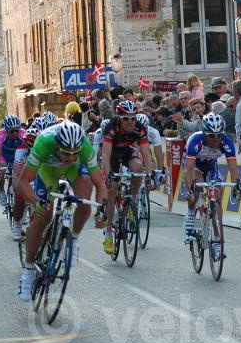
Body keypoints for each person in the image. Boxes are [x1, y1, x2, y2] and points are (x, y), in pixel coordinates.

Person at [16, 121, 107, 302]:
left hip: (75, 172)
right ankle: (28, 270)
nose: (71, 157)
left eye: (75, 153)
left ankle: (73, 239)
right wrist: (35, 202)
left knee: (84, 195)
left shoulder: (85, 148)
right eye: (66, 153)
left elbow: (100, 184)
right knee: (42, 218)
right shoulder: (43, 143)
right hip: (48, 170)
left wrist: (102, 211)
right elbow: (22, 182)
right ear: (57, 146)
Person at [182, 113, 241, 257]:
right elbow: (189, 169)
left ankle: (217, 240)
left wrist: (237, 187)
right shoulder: (195, 140)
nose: (216, 139)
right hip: (194, 165)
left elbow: (233, 168)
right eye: (211, 136)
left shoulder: (226, 142)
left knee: (217, 198)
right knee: (196, 186)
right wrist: (190, 189)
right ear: (204, 133)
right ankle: (190, 215)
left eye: (219, 135)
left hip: (211, 165)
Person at [99, 100, 157, 254]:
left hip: (126, 151)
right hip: (112, 154)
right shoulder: (111, 126)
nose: (130, 122)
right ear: (119, 117)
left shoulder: (140, 127)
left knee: (138, 166)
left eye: (133, 118)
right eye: (126, 119)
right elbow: (105, 154)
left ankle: (131, 197)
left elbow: (146, 153)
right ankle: (109, 232)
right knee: (112, 192)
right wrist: (108, 174)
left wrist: (149, 174)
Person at [0, 115, 26, 207]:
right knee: (0, 171)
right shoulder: (1, 133)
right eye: (11, 131)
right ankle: (2, 192)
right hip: (5, 155)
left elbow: (28, 151)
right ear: (6, 129)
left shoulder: (23, 133)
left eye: (17, 130)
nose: (15, 133)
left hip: (18, 155)